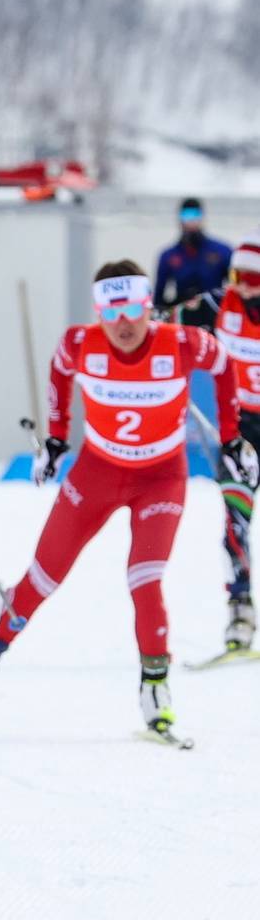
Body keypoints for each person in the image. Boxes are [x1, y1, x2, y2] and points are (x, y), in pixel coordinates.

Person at [0, 262, 256, 744]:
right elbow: (58, 375)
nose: (125, 323)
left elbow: (222, 365)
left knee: (145, 578)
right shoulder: (80, 344)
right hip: (98, 472)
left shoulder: (180, 343)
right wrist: (55, 439)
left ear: (147, 306)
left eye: (134, 309)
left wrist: (232, 437)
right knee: (40, 579)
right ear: (100, 312)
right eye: (112, 311)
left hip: (160, 477)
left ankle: (155, 693)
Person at [209, 232, 260, 650]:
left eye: (253, 278)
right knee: (234, 523)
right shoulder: (219, 304)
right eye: (236, 274)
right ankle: (240, 611)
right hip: (241, 432)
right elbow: (164, 323)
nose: (242, 284)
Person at [156, 197, 231, 330]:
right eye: (186, 216)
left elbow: (236, 289)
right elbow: (158, 300)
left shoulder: (222, 251)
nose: (191, 221)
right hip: (183, 322)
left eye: (195, 215)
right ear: (179, 219)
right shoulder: (168, 255)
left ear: (202, 217)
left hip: (214, 320)